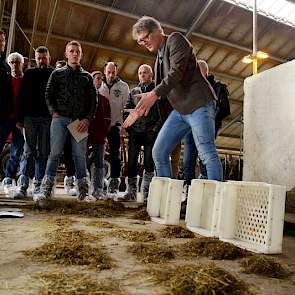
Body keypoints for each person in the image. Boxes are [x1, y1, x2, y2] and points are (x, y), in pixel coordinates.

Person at [124, 16, 223, 181]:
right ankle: (167, 201)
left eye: (145, 37)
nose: (144, 42)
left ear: (158, 31)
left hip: (198, 103)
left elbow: (177, 71)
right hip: (180, 110)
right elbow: (162, 92)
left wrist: (153, 94)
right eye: (140, 41)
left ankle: (217, 203)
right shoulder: (158, 59)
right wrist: (141, 109)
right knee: (159, 152)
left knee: (206, 152)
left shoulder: (175, 40)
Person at [37, 40, 97, 206]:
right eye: (72, 51)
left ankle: (83, 192)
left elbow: (94, 100)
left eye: (77, 51)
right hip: (60, 119)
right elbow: (48, 93)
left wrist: (87, 118)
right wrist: (53, 112)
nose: (75, 54)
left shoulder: (87, 77)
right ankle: (46, 190)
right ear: (66, 54)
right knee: (55, 153)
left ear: (81, 55)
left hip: (79, 121)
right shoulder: (57, 74)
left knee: (79, 155)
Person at [13, 46, 54, 199]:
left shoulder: (53, 74)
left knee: (44, 152)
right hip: (29, 118)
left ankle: (38, 186)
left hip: (47, 118)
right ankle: (23, 185)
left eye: (44, 58)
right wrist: (19, 119)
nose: (41, 61)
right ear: (35, 59)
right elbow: (22, 97)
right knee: (28, 151)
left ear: (49, 58)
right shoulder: (29, 73)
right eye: (39, 58)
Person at [119, 64, 161, 202]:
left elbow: (162, 113)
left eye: (145, 72)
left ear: (151, 75)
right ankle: (130, 192)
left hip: (150, 133)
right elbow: (126, 110)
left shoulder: (157, 92)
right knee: (131, 163)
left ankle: (147, 193)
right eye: (140, 73)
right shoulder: (133, 92)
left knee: (149, 162)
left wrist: (154, 130)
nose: (142, 75)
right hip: (135, 133)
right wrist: (130, 128)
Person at [99, 62, 129, 196]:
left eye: (113, 72)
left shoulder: (123, 87)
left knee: (115, 156)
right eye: (108, 72)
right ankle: (97, 184)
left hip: (114, 125)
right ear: (104, 71)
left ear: (116, 72)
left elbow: (126, 106)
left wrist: (123, 125)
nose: (111, 75)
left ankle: (114, 185)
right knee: (97, 154)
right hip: (99, 125)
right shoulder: (99, 84)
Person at [0, 51, 24, 192]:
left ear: (22, 64)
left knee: (16, 152)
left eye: (17, 62)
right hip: (5, 119)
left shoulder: (26, 81)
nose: (14, 65)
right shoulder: (4, 79)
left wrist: (21, 120)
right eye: (12, 62)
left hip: (20, 121)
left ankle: (8, 178)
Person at [55, 59, 77, 196]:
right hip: (57, 122)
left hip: (73, 122)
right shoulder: (53, 84)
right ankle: (47, 182)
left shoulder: (76, 83)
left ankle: (70, 182)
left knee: (73, 153)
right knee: (54, 153)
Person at [88, 70, 111, 200]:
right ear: (91, 79)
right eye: (97, 78)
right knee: (81, 160)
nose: (100, 80)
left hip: (99, 136)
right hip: (85, 134)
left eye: (101, 79)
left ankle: (98, 189)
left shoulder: (105, 100)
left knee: (99, 162)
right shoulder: (85, 97)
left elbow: (108, 118)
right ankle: (83, 187)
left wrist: (105, 132)